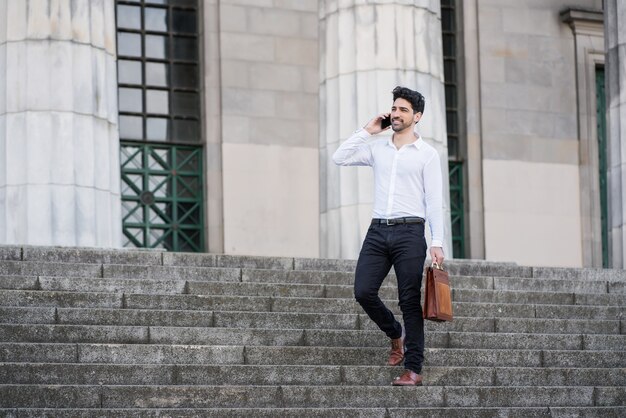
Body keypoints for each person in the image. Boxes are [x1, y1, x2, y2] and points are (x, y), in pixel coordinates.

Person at [332, 86, 445, 386]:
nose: (395, 114)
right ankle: (395, 333)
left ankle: (414, 369)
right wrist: (367, 131)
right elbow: (339, 157)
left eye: (403, 110)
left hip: (410, 232)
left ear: (417, 116)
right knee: (363, 291)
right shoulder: (377, 148)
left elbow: (435, 201)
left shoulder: (427, 155)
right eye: (394, 108)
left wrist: (437, 242)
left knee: (409, 301)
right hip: (378, 231)